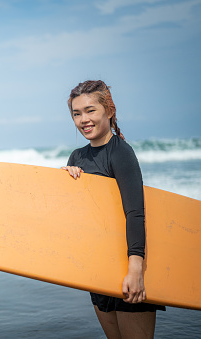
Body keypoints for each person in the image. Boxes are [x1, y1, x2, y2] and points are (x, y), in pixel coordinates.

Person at [61, 80, 165, 338]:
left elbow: (135, 213)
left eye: (90, 110)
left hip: (127, 267)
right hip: (98, 268)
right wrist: (64, 181)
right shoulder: (77, 157)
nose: (83, 119)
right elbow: (77, 218)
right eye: (77, 113)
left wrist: (136, 270)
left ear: (109, 110)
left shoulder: (120, 153)